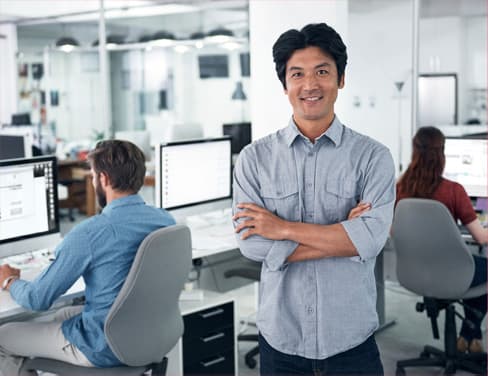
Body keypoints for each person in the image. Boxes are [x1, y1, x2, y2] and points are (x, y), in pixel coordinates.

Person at [232, 23, 395, 375]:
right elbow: (252, 246)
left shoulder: (373, 157)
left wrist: (282, 228)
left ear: (341, 78)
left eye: (322, 71)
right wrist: (343, 237)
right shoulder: (253, 159)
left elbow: (372, 239)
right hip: (281, 341)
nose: (310, 85)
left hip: (351, 340)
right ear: (285, 85)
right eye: (297, 74)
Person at [0, 140, 175, 376]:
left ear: (103, 179)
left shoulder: (90, 233)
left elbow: (37, 298)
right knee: (60, 315)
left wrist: (9, 281)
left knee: (4, 334)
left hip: (103, 346)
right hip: (151, 333)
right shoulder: (165, 221)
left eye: (93, 175)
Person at [396, 126, 487, 354]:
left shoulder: (399, 188)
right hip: (454, 273)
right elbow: (481, 238)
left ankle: (468, 336)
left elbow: (392, 232)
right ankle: (470, 333)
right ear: (442, 154)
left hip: (415, 273)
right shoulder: (454, 191)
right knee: (481, 266)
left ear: (414, 153)